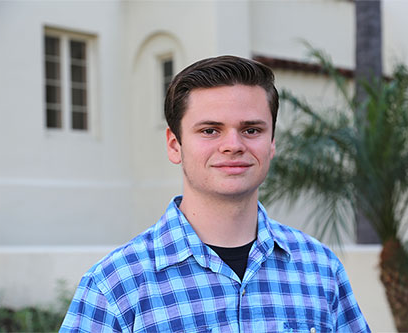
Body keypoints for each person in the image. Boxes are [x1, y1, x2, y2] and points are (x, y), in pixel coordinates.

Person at [61, 55, 371, 332]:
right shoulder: (115, 285)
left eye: (252, 130)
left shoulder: (319, 268)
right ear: (174, 144)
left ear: (272, 142)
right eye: (210, 130)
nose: (233, 145)